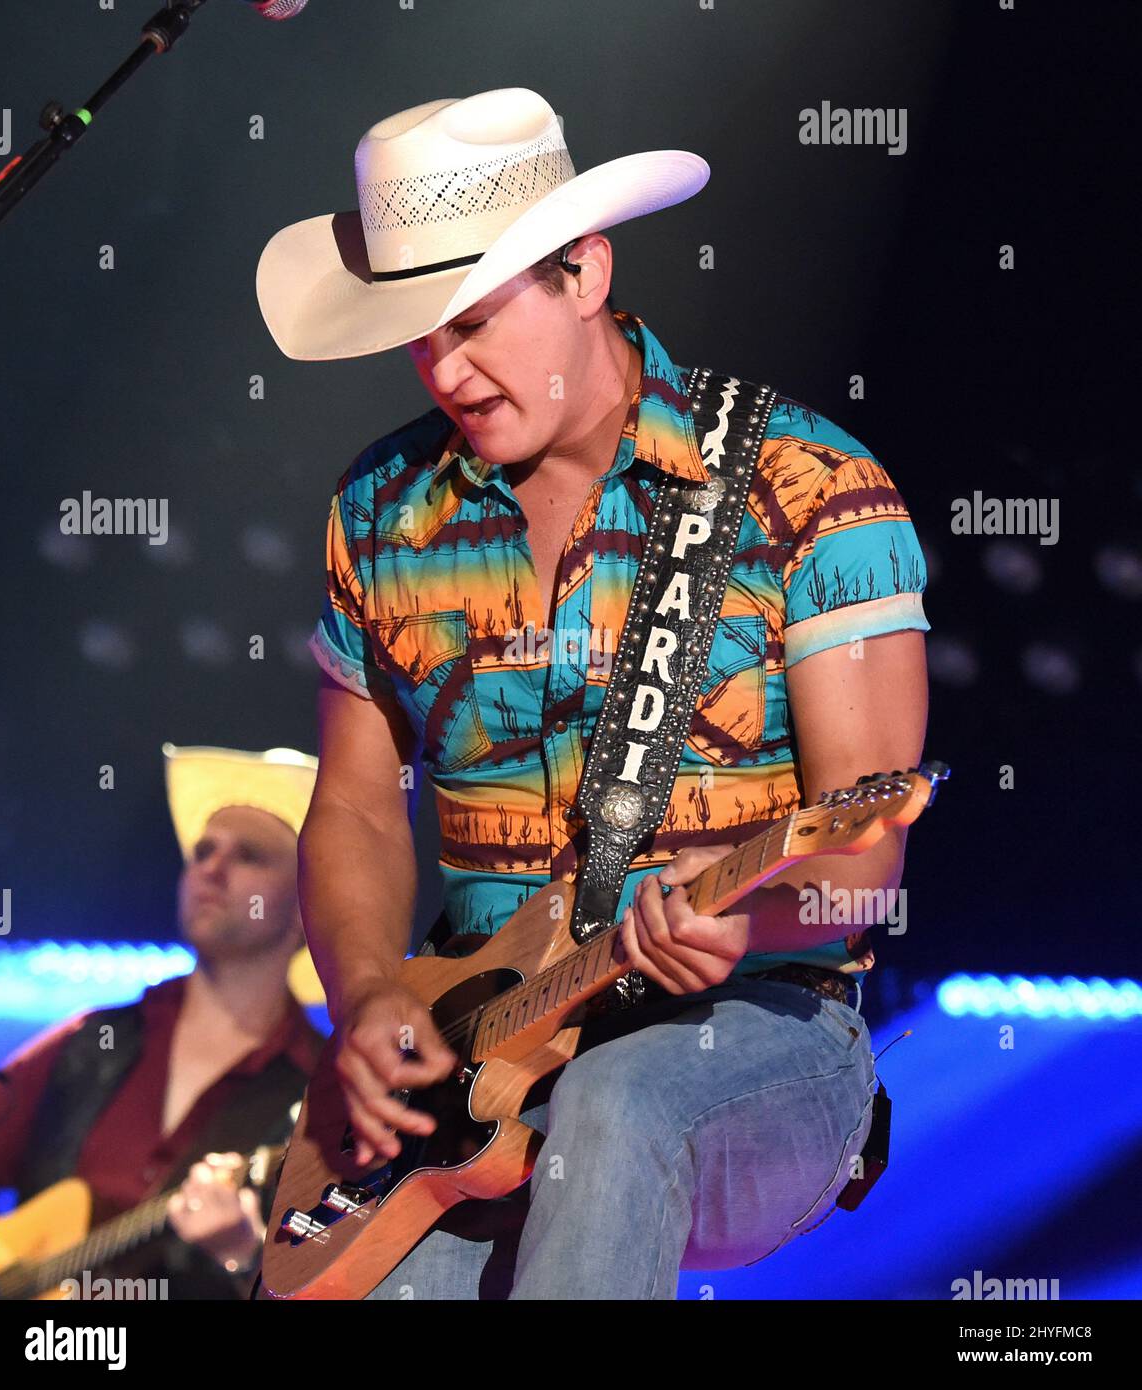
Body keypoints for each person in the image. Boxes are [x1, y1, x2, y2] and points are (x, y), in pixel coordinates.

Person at [255, 87, 929, 1299]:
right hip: (478, 1049)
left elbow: (859, 867)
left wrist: (746, 925)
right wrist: (364, 999)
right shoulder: (378, 512)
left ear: (584, 271)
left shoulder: (808, 487)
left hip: (764, 1025)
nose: (444, 368)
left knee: (614, 1111)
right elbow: (354, 809)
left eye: (471, 320)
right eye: (418, 333)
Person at [0, 744, 326, 1299]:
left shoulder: (324, 1095)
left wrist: (242, 1255)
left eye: (249, 855)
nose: (210, 867)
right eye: (203, 850)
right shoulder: (90, 1042)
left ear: (310, 907)